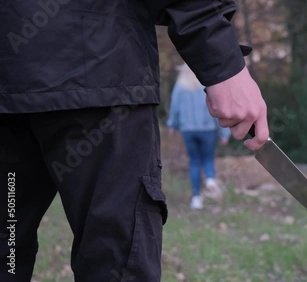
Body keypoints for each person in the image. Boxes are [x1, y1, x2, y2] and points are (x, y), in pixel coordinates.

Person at [0, 1, 268, 281]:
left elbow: (176, 109)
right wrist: (221, 57)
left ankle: (201, 191)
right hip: (102, 67)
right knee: (116, 265)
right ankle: (205, 186)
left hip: (81, 74)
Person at [167, 63, 229, 209]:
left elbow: (175, 106)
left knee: (194, 161)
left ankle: (196, 199)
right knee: (208, 158)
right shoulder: (207, 84)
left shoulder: (180, 85)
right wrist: (224, 132)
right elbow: (216, 107)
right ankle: (210, 178)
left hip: (187, 129)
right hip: (207, 128)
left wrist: (172, 125)